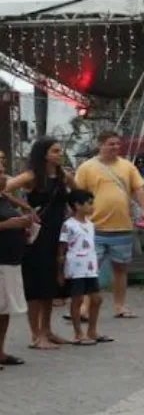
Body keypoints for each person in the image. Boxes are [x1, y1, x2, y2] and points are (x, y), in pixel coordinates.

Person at [74, 130, 144, 319]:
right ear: (100, 144)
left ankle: (120, 305)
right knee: (91, 268)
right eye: (111, 144)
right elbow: (78, 193)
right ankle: (85, 307)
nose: (115, 147)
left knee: (121, 269)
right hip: (94, 227)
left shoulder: (127, 166)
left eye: (117, 144)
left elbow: (139, 189)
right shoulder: (87, 167)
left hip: (122, 227)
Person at [6, 138, 73, 349]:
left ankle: (47, 330)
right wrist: (25, 206)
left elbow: (80, 190)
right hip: (37, 236)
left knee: (50, 284)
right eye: (55, 151)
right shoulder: (32, 176)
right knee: (36, 285)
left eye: (59, 150)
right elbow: (5, 188)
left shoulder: (63, 176)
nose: (59, 154)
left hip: (57, 233)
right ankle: (36, 335)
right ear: (44, 153)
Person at [58, 190, 105, 346]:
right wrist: (60, 270)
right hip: (75, 267)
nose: (92, 206)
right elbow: (62, 248)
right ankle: (78, 333)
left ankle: (92, 330)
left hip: (90, 267)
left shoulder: (90, 224)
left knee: (97, 299)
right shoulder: (68, 225)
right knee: (77, 299)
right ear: (77, 205)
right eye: (89, 203)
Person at [0, 175, 33, 370]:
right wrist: (8, 225)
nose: (2, 176)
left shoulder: (5, 198)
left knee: (4, 310)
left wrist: (24, 221)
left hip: (10, 260)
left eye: (3, 171)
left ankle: (1, 351)